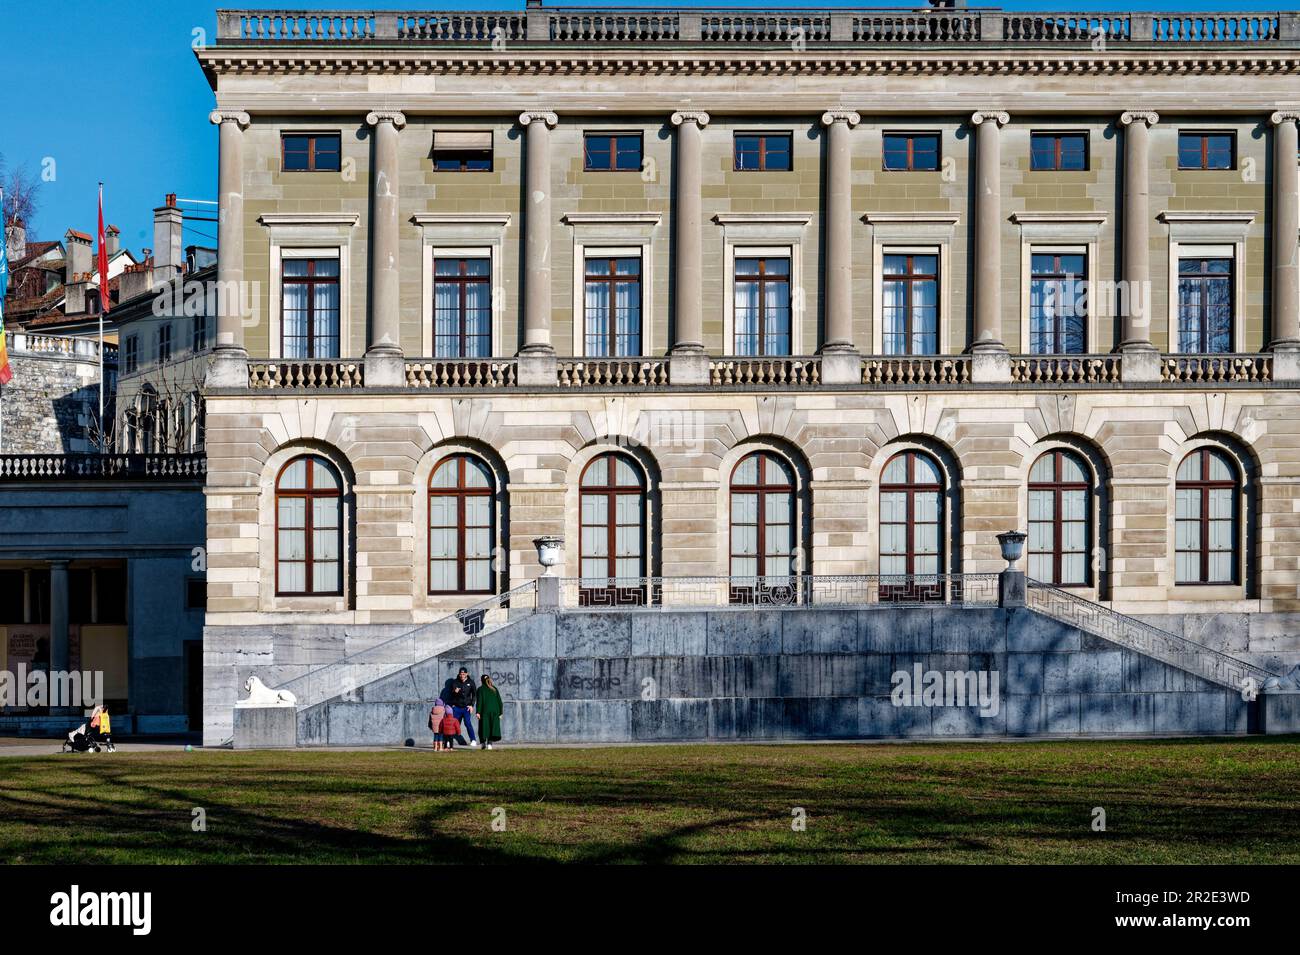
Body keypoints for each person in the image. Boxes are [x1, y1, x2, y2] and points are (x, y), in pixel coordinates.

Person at [442, 667, 479, 748]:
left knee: (468, 723)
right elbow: (451, 694)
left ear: (466, 674)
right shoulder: (455, 682)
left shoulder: (471, 682)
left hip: (466, 708)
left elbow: (474, 695)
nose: (462, 675)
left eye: (463, 674)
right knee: (452, 725)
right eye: (460, 674)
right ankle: (448, 741)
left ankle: (473, 740)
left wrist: (472, 705)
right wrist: (454, 692)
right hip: (457, 708)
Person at [476, 674, 503, 750]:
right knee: (491, 727)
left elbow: (479, 702)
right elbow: (499, 702)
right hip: (495, 711)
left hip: (485, 711)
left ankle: (483, 743)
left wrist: (478, 712)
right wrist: (500, 712)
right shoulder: (494, 689)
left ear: (481, 681)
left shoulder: (480, 689)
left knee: (483, 727)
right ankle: (490, 744)